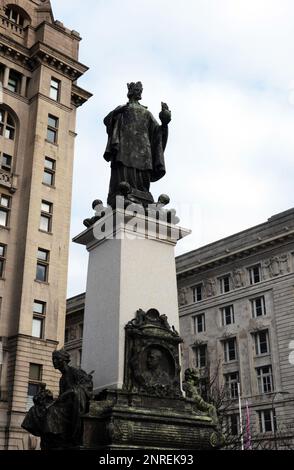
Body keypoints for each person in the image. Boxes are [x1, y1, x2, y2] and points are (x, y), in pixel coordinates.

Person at [103, 81, 171, 207]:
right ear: (130, 92)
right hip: (124, 147)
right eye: (136, 90)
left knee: (142, 175)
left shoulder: (147, 113)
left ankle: (142, 195)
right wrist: (117, 112)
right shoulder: (122, 109)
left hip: (144, 150)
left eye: (139, 91)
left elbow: (157, 133)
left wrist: (165, 122)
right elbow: (107, 120)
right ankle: (123, 193)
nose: (138, 93)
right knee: (123, 172)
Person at [22, 349, 93, 450]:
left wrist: (71, 391)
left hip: (73, 405)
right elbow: (61, 396)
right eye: (53, 359)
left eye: (56, 359)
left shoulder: (75, 372)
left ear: (63, 360)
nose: (54, 361)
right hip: (64, 405)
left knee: (51, 411)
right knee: (37, 409)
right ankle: (47, 436)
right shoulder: (62, 378)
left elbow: (86, 386)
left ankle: (55, 437)